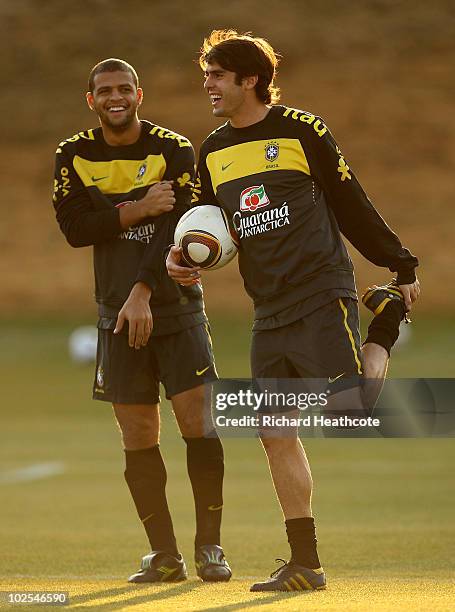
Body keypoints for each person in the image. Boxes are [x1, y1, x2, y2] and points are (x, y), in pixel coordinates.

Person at [166, 31, 420, 592]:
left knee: (352, 407)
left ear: (249, 79)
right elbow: (207, 222)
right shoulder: (212, 150)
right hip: (268, 306)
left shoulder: (303, 131)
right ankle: (305, 561)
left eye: (217, 75)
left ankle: (384, 320)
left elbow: (350, 200)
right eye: (206, 74)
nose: (207, 84)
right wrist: (180, 256)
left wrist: (399, 264)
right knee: (273, 430)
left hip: (319, 287)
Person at [52, 58, 231, 583]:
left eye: (124, 89)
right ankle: (165, 555)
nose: (115, 97)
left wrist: (144, 289)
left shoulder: (173, 149)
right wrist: (137, 207)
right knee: (139, 432)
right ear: (92, 100)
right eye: (105, 90)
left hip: (175, 309)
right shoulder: (74, 154)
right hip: (115, 316)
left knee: (197, 424)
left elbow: (177, 223)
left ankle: (210, 549)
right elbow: (75, 228)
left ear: (139, 95)